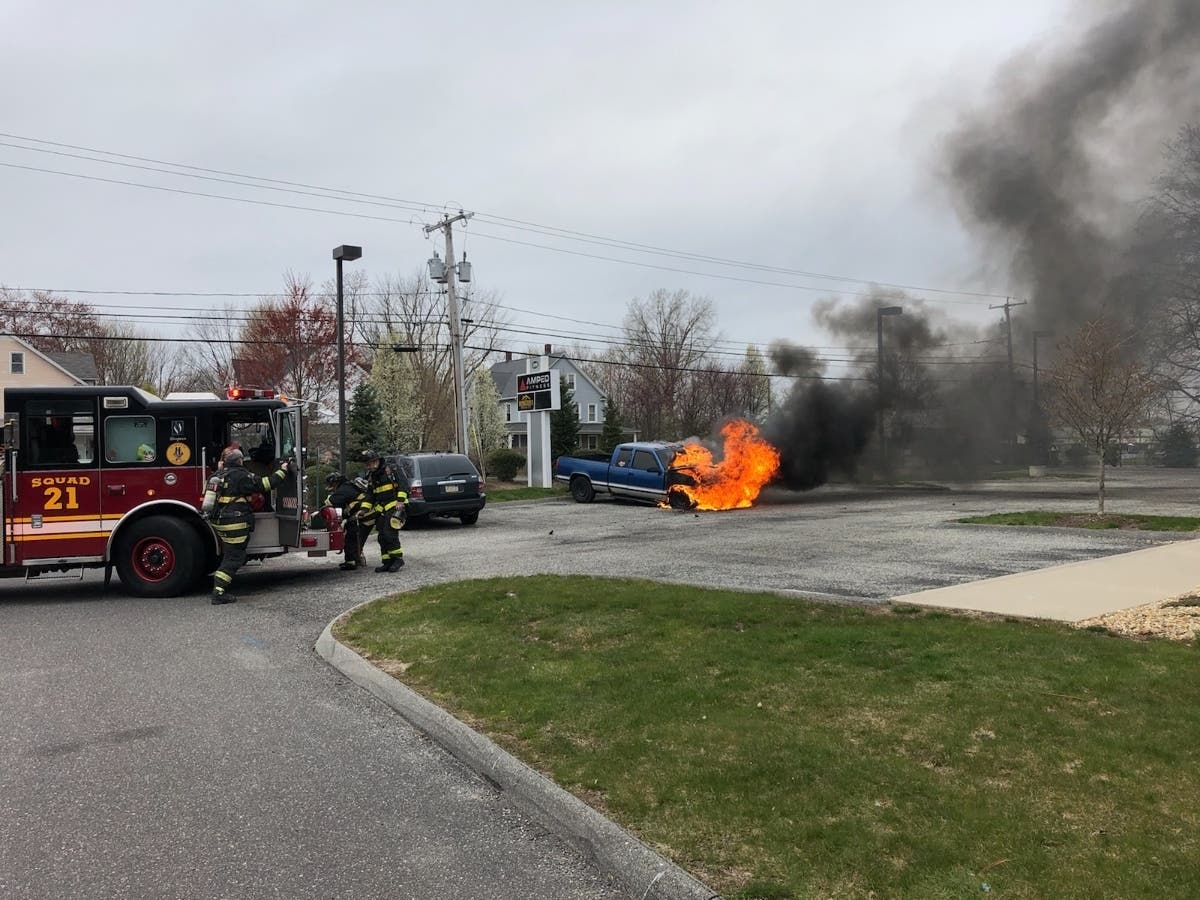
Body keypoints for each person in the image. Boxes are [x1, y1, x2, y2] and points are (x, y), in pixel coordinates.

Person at [202, 446, 290, 604]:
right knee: (235, 556)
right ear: (240, 461)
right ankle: (219, 592)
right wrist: (282, 471)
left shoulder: (216, 475)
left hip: (219, 522)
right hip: (235, 522)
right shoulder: (240, 475)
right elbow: (265, 484)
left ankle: (220, 586)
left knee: (230, 553)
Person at [362, 449, 407, 573]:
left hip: (394, 505)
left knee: (389, 533)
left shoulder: (391, 470)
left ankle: (397, 559)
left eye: (369, 464)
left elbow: (403, 485)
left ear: (376, 461)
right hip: (382, 508)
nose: (368, 467)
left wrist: (400, 501)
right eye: (366, 464)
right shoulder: (372, 476)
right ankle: (387, 562)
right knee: (381, 536)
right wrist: (363, 509)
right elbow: (370, 495)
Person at [324, 471, 371, 571]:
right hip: (365, 514)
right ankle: (357, 559)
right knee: (355, 537)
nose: (331, 488)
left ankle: (351, 562)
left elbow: (331, 503)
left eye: (331, 485)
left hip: (363, 515)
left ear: (336, 483)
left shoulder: (342, 491)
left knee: (351, 537)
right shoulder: (348, 486)